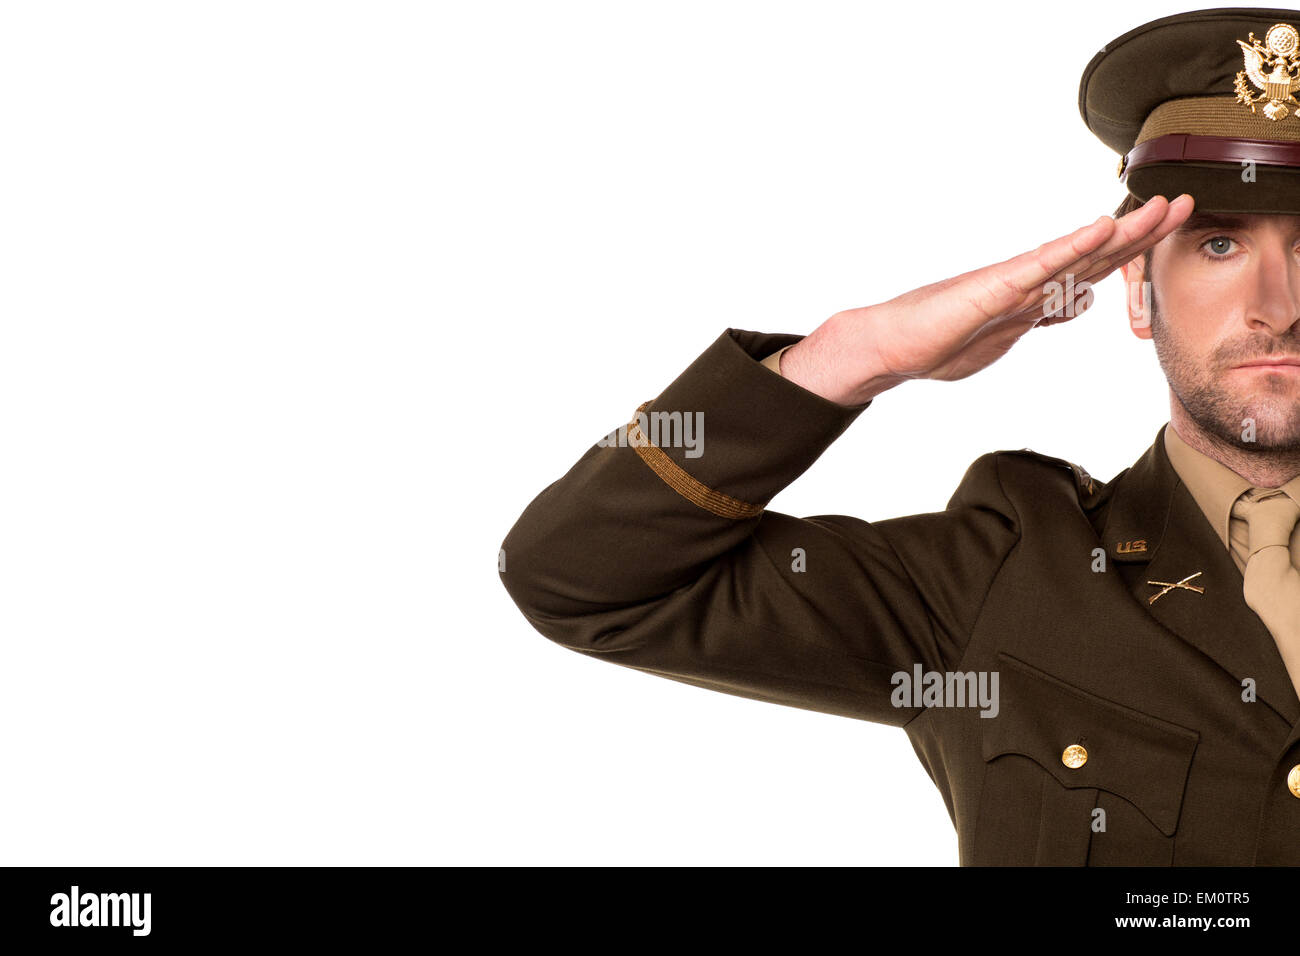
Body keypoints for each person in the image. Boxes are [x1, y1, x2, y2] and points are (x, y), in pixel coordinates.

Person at [498, 8, 1300, 865]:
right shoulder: (1000, 577)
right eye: (1218, 243)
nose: (1279, 306)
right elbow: (581, 581)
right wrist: (854, 357)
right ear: (1138, 293)